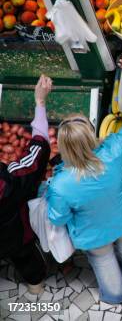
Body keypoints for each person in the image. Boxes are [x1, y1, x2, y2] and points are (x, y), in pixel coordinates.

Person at [46, 56, 122, 305]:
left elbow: (57, 218)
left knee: (104, 259)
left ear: (62, 147)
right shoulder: (114, 149)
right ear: (91, 134)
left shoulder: (60, 185)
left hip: (94, 234)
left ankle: (116, 295)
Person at [0, 75, 53, 295]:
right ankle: (35, 286)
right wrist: (40, 103)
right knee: (25, 256)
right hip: (13, 234)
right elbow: (37, 154)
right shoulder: (7, 181)